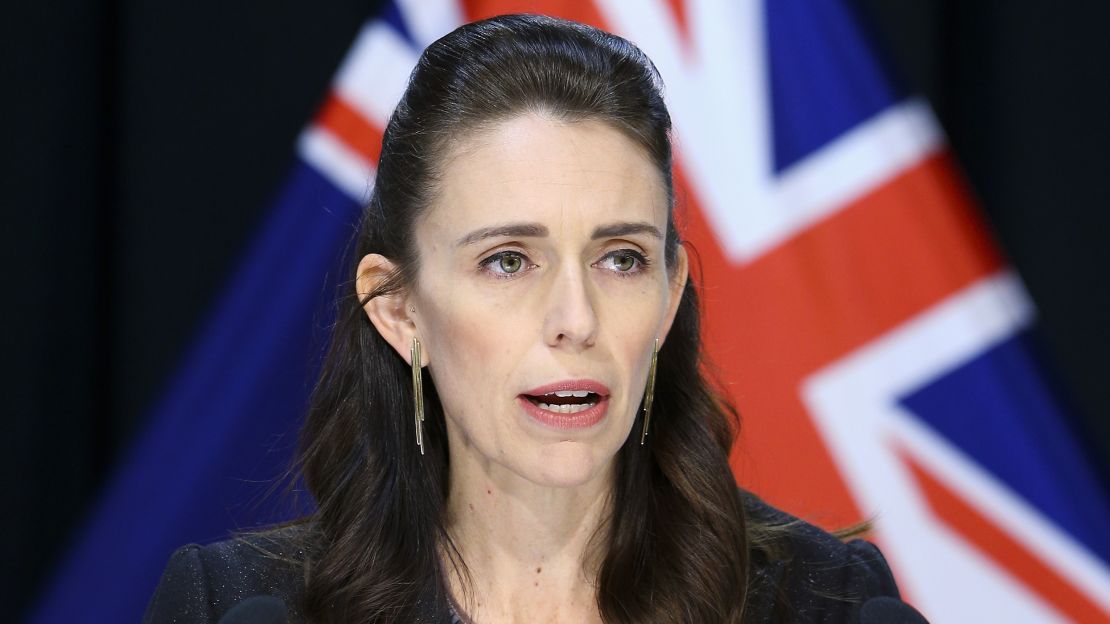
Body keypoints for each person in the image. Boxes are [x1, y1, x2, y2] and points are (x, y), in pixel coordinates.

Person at [143, 13, 915, 623]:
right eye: (508, 260)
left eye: (621, 259)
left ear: (670, 295)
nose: (576, 319)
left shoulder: (826, 605)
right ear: (398, 308)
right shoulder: (241, 608)